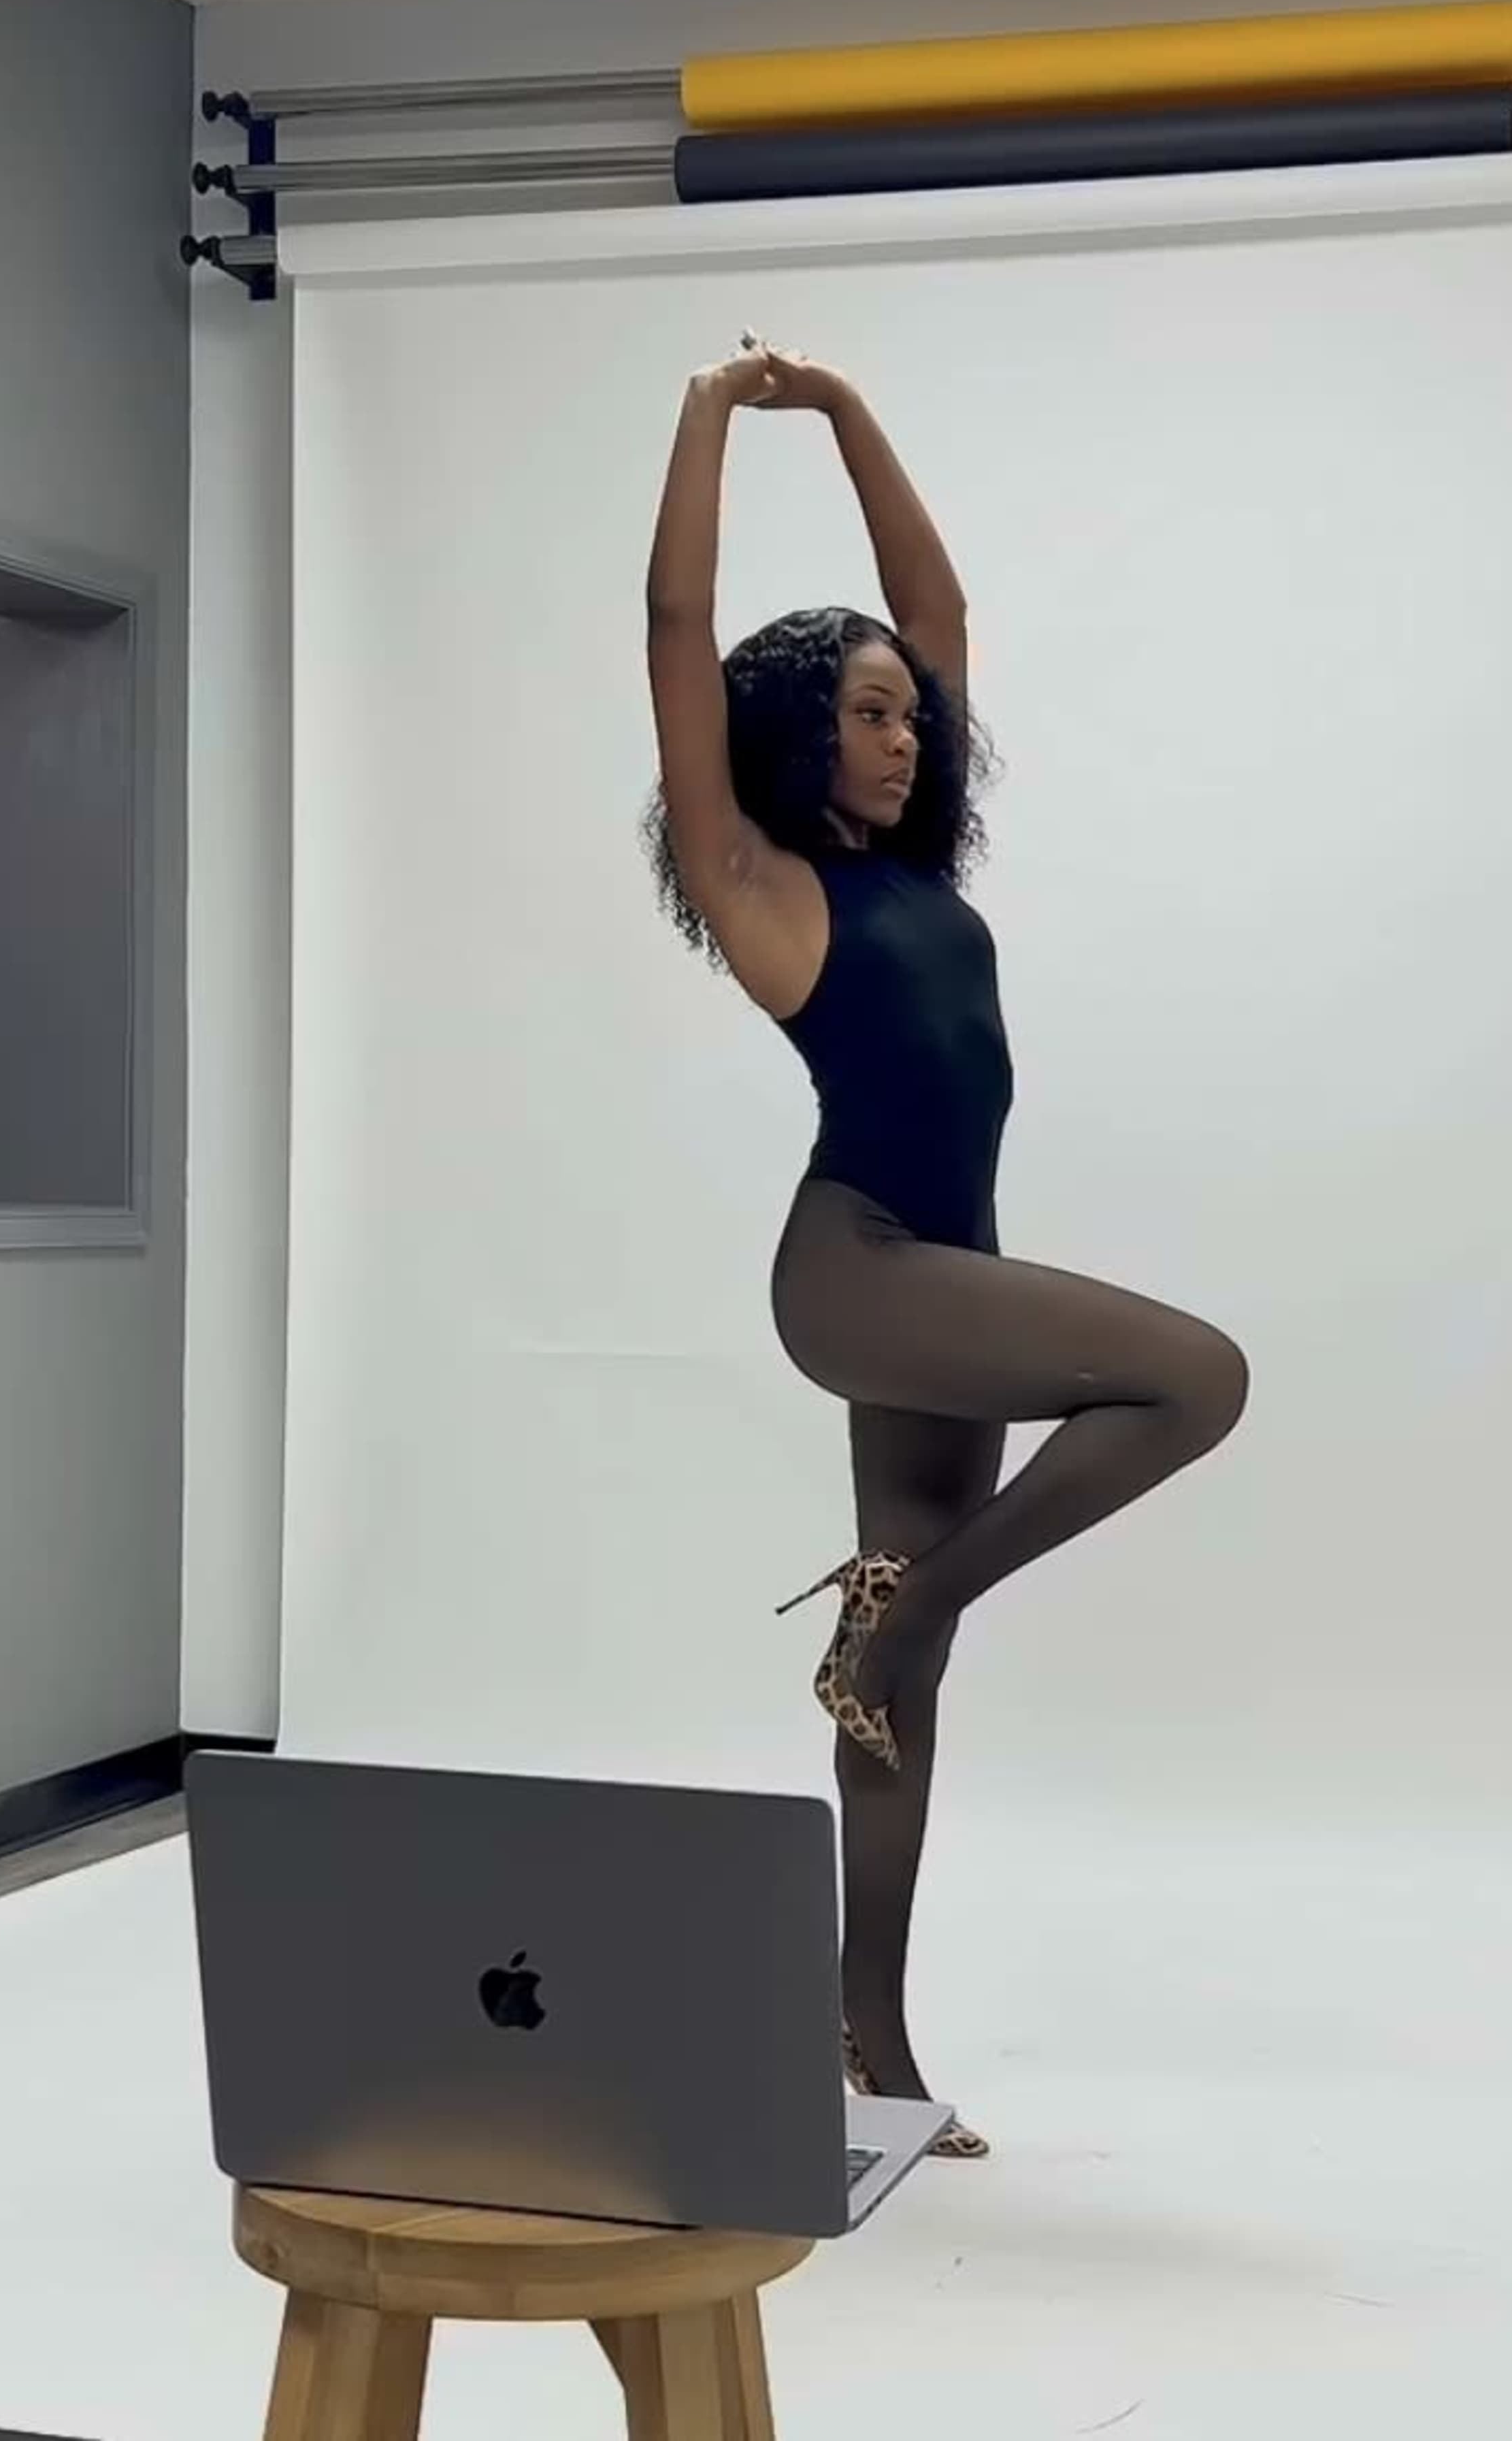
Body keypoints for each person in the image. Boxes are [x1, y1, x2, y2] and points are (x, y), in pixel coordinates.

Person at [640, 338, 1249, 2155]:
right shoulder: (760, 884)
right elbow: (677, 620)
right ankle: (913, 1606)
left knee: (900, 1695)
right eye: (873, 712)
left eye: (916, 712)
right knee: (1195, 1375)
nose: (906, 736)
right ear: (797, 733)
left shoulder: (924, 883)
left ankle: (868, 2051)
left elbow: (941, 596)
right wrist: (710, 419)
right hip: (858, 1270)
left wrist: (848, 416)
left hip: (940, 1265)